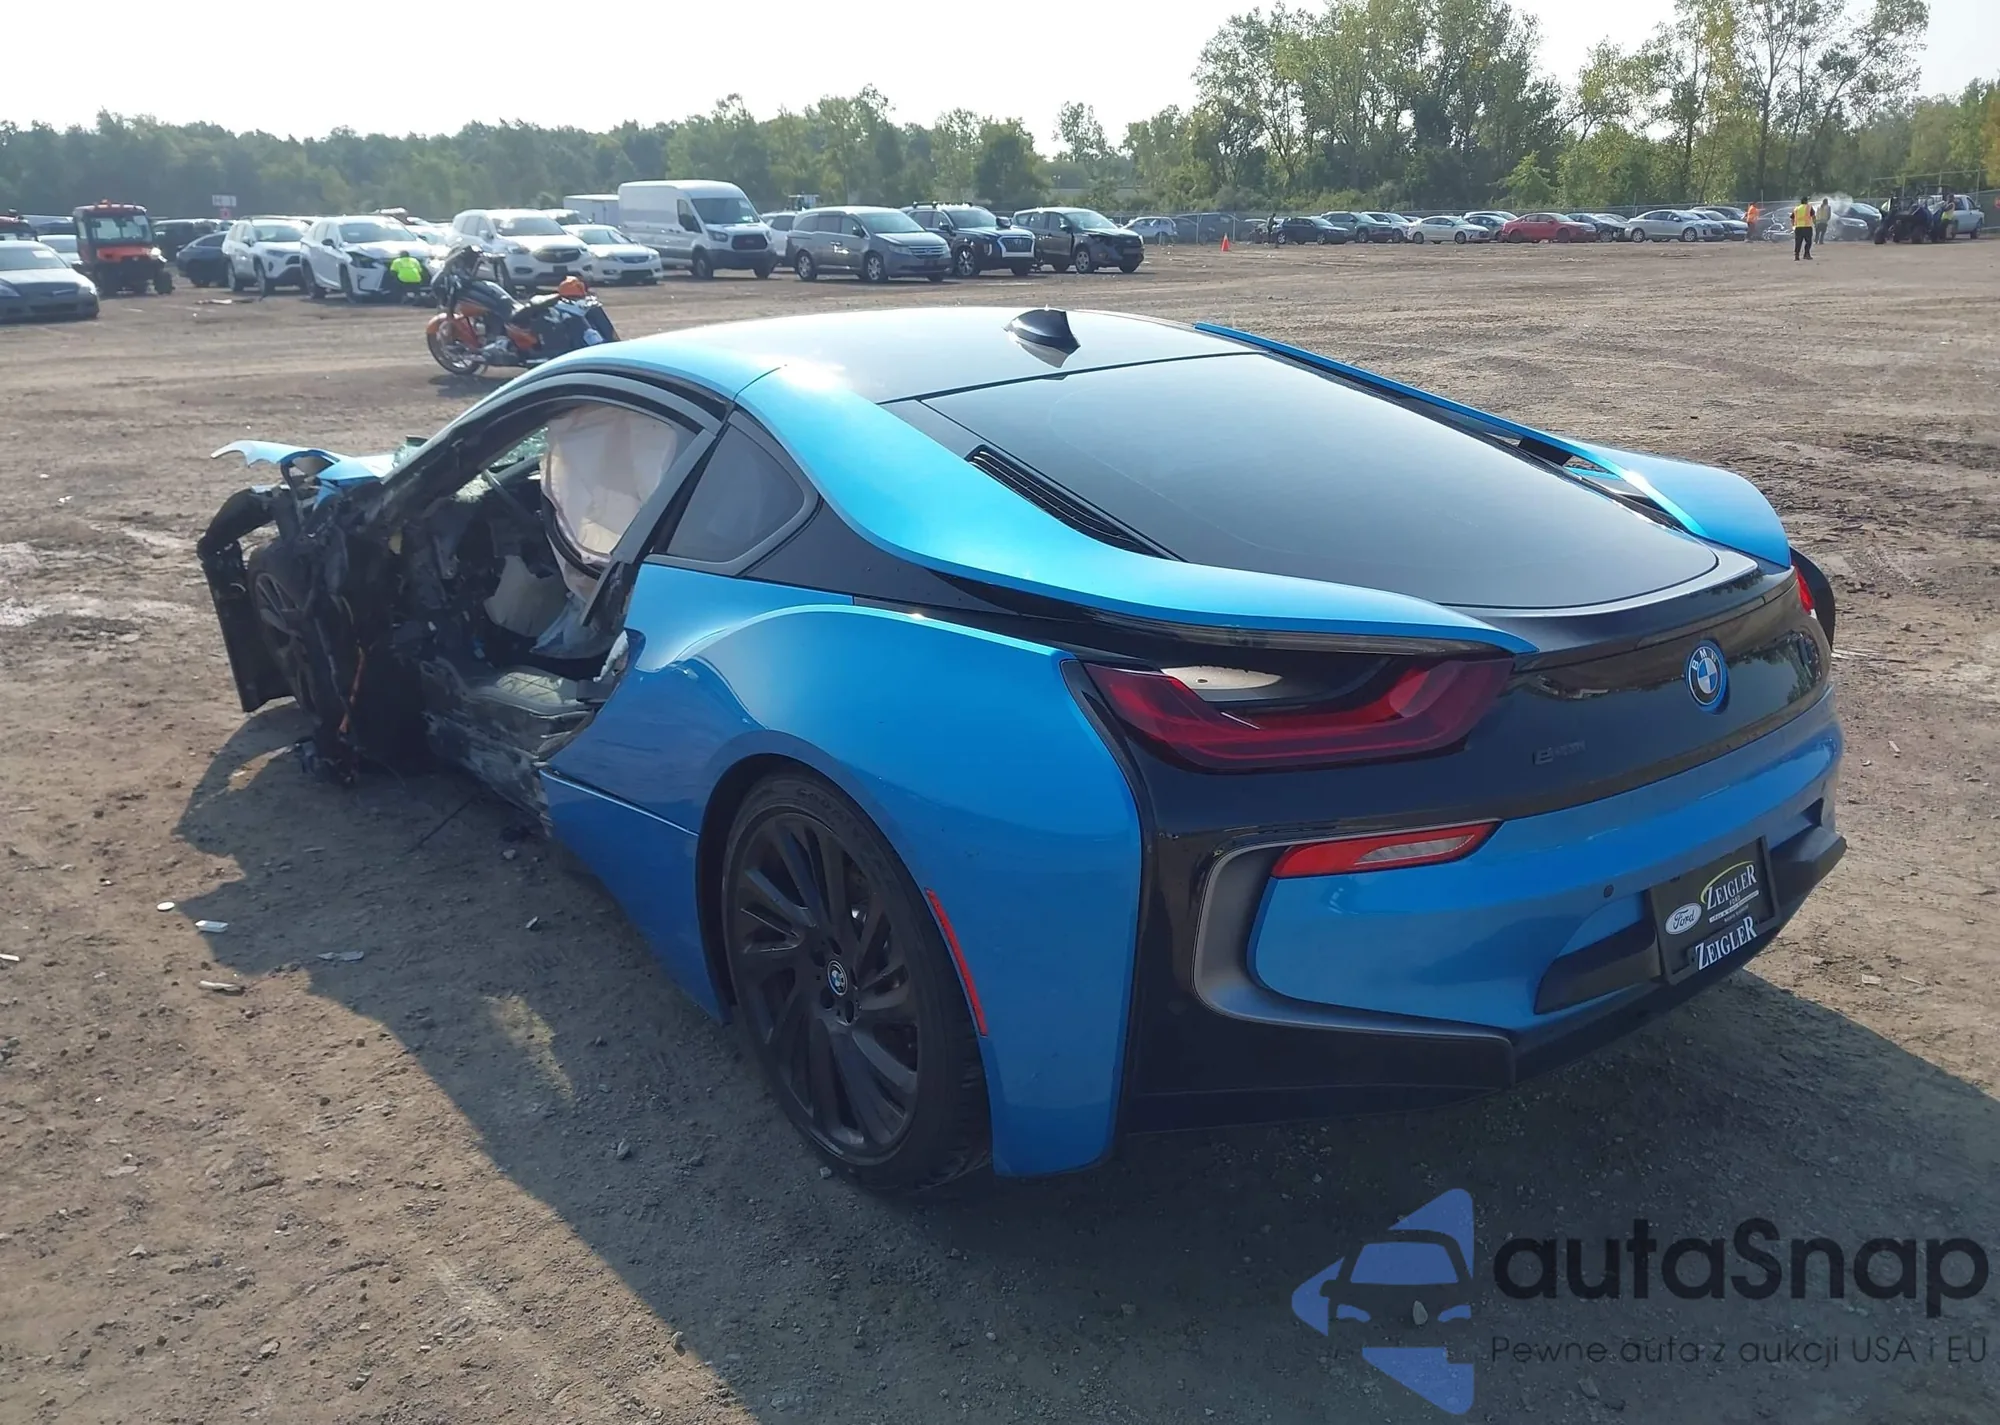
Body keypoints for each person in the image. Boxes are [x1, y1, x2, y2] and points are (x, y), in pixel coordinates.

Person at [1791, 196, 1815, 260]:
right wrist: (1815, 223)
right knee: (1808, 242)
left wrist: (1793, 226)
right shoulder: (1809, 207)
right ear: (1806, 201)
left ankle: (1797, 255)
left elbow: (1792, 218)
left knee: (1798, 242)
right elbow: (1813, 216)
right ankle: (1806, 254)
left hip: (1798, 228)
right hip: (1807, 227)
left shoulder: (1796, 208)